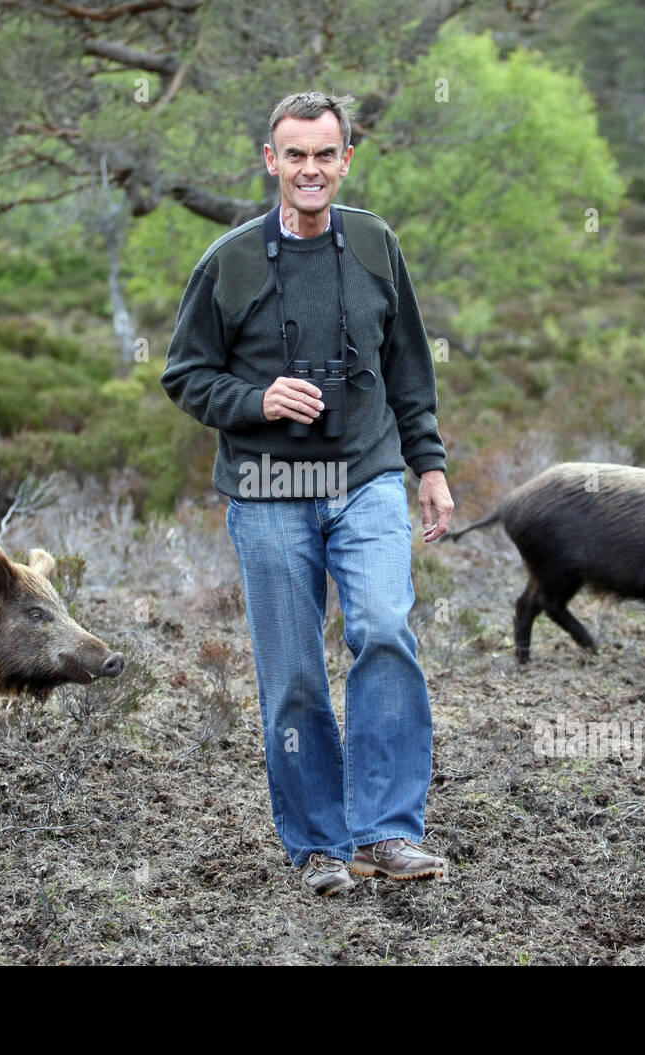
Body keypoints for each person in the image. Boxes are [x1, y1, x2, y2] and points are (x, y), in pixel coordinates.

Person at [161, 91, 454, 895]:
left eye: (326, 154)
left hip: (365, 477)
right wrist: (259, 399)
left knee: (386, 629)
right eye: (296, 155)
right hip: (268, 489)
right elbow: (184, 376)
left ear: (346, 160)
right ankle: (320, 845)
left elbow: (408, 370)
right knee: (293, 673)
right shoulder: (228, 263)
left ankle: (388, 832)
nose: (311, 169)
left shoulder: (374, 244)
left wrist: (428, 466)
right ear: (271, 161)